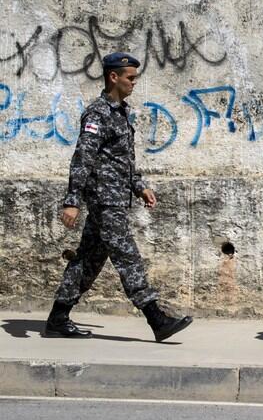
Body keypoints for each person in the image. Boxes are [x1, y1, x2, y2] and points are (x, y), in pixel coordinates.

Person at [46, 52, 192, 343]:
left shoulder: (122, 112)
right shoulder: (97, 113)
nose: (134, 83)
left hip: (116, 198)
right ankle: (156, 318)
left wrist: (139, 186)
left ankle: (58, 317)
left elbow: (122, 161)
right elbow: (83, 158)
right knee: (127, 256)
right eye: (130, 77)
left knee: (88, 260)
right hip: (104, 201)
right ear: (114, 77)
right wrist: (72, 200)